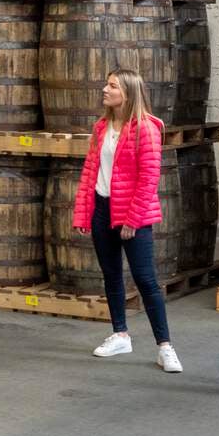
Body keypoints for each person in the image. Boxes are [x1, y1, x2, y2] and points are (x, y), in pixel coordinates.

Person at [74, 69, 181, 373]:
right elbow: (90, 172)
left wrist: (133, 219)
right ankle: (120, 333)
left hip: (133, 214)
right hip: (102, 209)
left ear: (127, 93)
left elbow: (149, 179)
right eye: (106, 84)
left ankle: (165, 346)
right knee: (111, 275)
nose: (104, 89)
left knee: (146, 280)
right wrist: (84, 212)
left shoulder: (146, 129)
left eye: (111, 86)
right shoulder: (101, 127)